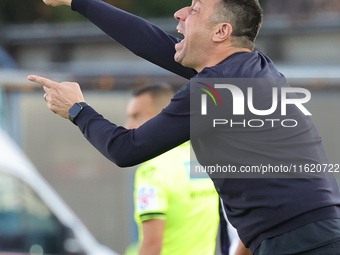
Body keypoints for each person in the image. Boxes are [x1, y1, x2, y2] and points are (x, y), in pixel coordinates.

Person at [28, 0, 340, 254]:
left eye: (194, 8)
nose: (179, 13)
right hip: (314, 233)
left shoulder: (215, 88)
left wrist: (77, 110)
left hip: (301, 242)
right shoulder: (255, 68)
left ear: (221, 31)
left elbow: (127, 148)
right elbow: (150, 42)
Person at [123, 84, 219, 255]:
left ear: (161, 119)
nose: (128, 126)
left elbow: (153, 245)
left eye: (136, 117)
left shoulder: (152, 170)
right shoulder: (202, 160)